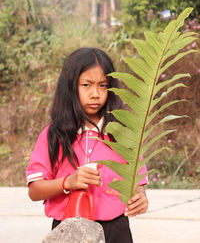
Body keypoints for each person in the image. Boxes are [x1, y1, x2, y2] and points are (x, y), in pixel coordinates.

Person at [26, 47, 148, 243]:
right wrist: (68, 182)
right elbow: (34, 190)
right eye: (86, 85)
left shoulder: (124, 134)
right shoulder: (53, 135)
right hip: (68, 229)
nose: (95, 94)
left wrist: (140, 198)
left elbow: (138, 184)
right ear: (70, 87)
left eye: (103, 86)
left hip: (116, 229)